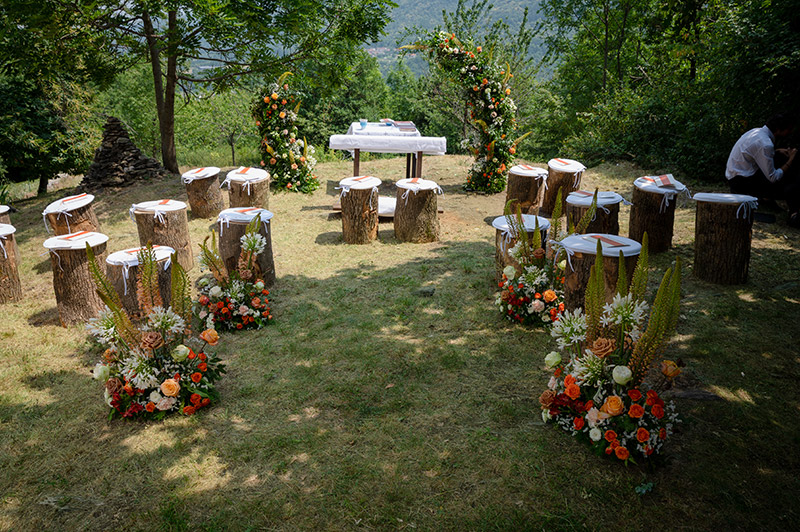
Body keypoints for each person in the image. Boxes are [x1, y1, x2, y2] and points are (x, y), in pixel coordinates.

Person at [725, 113, 799, 227]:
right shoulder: (765, 144)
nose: (789, 133)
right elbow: (773, 177)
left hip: (735, 176)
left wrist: (778, 151)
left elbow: (760, 153)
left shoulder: (756, 132)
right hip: (742, 183)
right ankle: (794, 214)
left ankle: (768, 199)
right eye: (788, 130)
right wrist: (791, 159)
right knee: (788, 177)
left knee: (779, 158)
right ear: (779, 129)